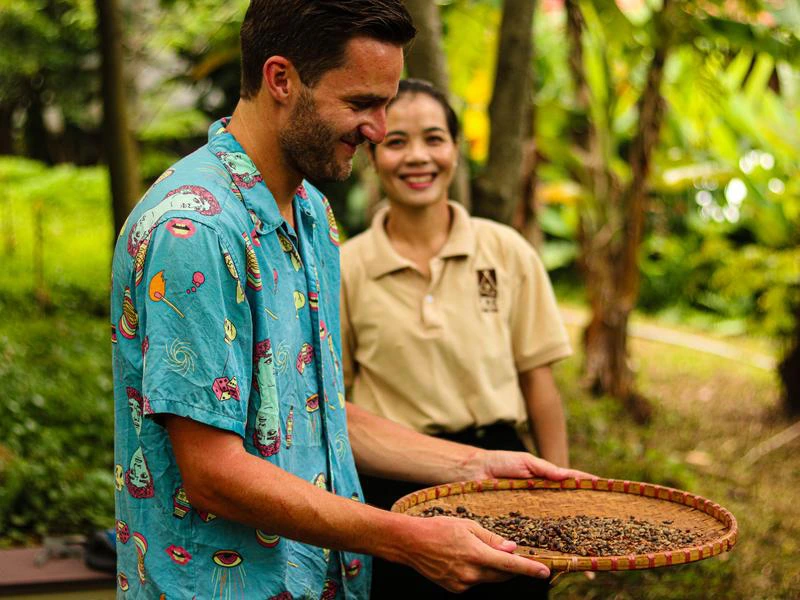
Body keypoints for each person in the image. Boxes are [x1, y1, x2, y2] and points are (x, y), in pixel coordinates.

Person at [112, 4, 588, 598]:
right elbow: (213, 472)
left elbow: (315, 412)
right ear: (281, 79)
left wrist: (473, 465)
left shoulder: (311, 211)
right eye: (362, 103)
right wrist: (408, 539)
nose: (379, 130)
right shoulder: (196, 231)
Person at [341, 79, 574, 598]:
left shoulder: (507, 251)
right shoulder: (343, 268)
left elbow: (539, 383)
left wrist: (561, 497)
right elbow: (335, 403)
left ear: (456, 149)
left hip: (505, 473)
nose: (417, 157)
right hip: (396, 486)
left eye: (434, 138)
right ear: (371, 155)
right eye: (396, 142)